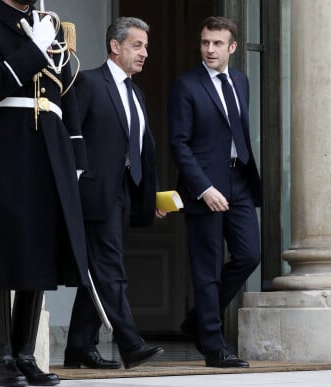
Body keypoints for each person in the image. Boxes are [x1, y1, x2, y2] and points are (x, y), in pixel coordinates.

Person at [0, 0, 90, 386]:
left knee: (40, 246)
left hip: (51, 143)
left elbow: (68, 94)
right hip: (7, 141)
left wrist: (76, 154)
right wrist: (33, 49)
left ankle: (26, 355)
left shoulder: (53, 24)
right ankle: (3, 358)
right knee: (1, 244)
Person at [64, 17, 166, 370]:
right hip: (94, 194)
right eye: (137, 45)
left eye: (146, 47)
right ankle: (130, 342)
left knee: (100, 270)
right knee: (109, 269)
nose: (144, 54)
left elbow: (142, 149)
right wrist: (76, 184)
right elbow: (70, 136)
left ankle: (79, 346)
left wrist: (148, 198)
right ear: (115, 46)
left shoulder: (135, 92)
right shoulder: (89, 82)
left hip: (124, 194)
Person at [168, 16, 262, 368]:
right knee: (206, 268)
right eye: (206, 42)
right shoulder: (185, 85)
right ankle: (212, 344)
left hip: (239, 182)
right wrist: (203, 187)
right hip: (204, 187)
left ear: (232, 47)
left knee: (249, 256)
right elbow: (179, 143)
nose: (210, 49)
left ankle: (196, 321)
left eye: (217, 43)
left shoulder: (241, 81)